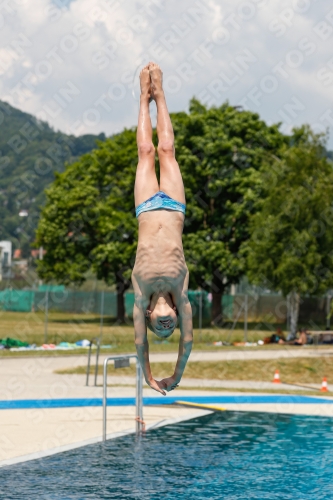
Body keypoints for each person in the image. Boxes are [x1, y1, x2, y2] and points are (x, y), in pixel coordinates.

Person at [131, 62, 193, 396]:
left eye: (161, 329)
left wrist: (149, 376)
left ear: (151, 315)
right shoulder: (180, 293)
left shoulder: (141, 297)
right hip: (173, 207)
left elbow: (140, 342)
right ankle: (162, 93)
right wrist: (177, 375)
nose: (167, 329)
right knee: (167, 151)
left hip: (145, 208)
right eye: (171, 329)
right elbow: (188, 339)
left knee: (146, 152)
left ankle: (145, 96)